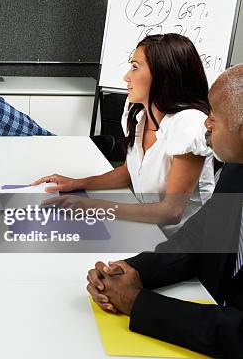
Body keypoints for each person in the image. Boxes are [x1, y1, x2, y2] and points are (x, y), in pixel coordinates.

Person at [86, 64, 243, 358]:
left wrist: (139, 303)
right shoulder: (236, 170)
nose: (206, 124)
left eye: (215, 117)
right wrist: (130, 272)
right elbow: (199, 242)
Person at [33, 34, 214, 235]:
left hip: (179, 244)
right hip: (146, 228)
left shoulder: (188, 124)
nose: (126, 77)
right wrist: (77, 183)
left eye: (135, 67)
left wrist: (93, 207)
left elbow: (171, 211)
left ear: (164, 75)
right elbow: (130, 172)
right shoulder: (140, 115)